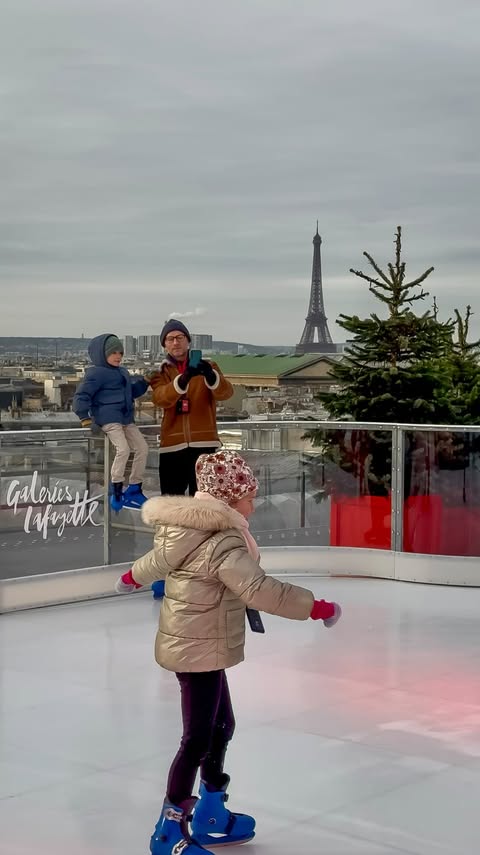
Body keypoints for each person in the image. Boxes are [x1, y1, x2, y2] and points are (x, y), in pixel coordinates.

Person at [115, 449, 341, 854]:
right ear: (230, 500)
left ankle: (211, 812)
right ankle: (169, 831)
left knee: (221, 727)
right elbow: (261, 589)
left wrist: (131, 576)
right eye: (250, 496)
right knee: (197, 739)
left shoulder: (186, 529)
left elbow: (155, 561)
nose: (254, 504)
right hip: (198, 646)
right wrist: (315, 608)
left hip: (199, 642)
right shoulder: (223, 541)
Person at [150, 319, 234, 497]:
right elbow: (160, 398)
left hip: (204, 445)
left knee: (204, 502)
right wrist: (183, 380)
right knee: (173, 505)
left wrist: (211, 377)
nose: (175, 342)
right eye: (170, 339)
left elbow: (226, 393)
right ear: (164, 345)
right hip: (172, 447)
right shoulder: (159, 372)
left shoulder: (209, 366)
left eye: (180, 337)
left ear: (188, 341)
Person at [73, 333, 151, 511]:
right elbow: (81, 395)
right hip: (108, 418)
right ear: (102, 354)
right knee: (123, 449)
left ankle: (134, 487)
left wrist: (144, 382)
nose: (118, 356)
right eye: (114, 352)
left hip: (125, 418)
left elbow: (130, 392)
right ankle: (116, 489)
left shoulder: (122, 372)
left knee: (142, 448)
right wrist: (84, 417)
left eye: (121, 353)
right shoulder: (96, 373)